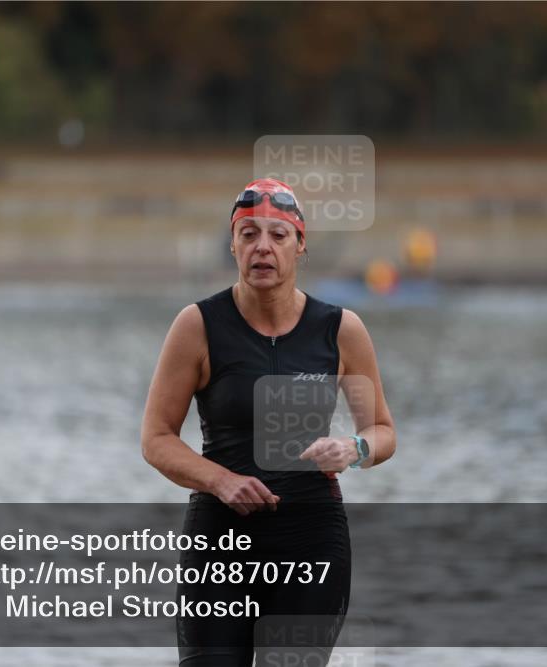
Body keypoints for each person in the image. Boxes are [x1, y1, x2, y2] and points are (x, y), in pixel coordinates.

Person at [141, 177, 396, 666]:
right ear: (233, 244)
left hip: (311, 540)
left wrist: (353, 449)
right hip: (220, 539)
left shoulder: (341, 329)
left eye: (278, 236)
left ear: (300, 246)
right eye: (249, 234)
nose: (263, 247)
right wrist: (221, 481)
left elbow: (382, 431)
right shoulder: (197, 326)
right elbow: (155, 439)